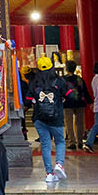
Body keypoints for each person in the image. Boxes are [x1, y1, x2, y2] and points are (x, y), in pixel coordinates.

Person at [27, 56, 66, 184]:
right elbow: (69, 95)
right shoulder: (58, 81)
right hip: (56, 117)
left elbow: (28, 99)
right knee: (60, 141)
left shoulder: (34, 82)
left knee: (45, 145)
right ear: (51, 67)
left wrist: (35, 100)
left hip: (39, 117)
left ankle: (49, 173)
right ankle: (59, 164)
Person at [60, 61, 89, 151]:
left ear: (66, 68)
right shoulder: (79, 79)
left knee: (69, 123)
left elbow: (60, 91)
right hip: (79, 102)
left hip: (67, 103)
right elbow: (85, 91)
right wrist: (90, 102)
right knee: (80, 123)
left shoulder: (62, 79)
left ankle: (71, 142)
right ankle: (80, 141)